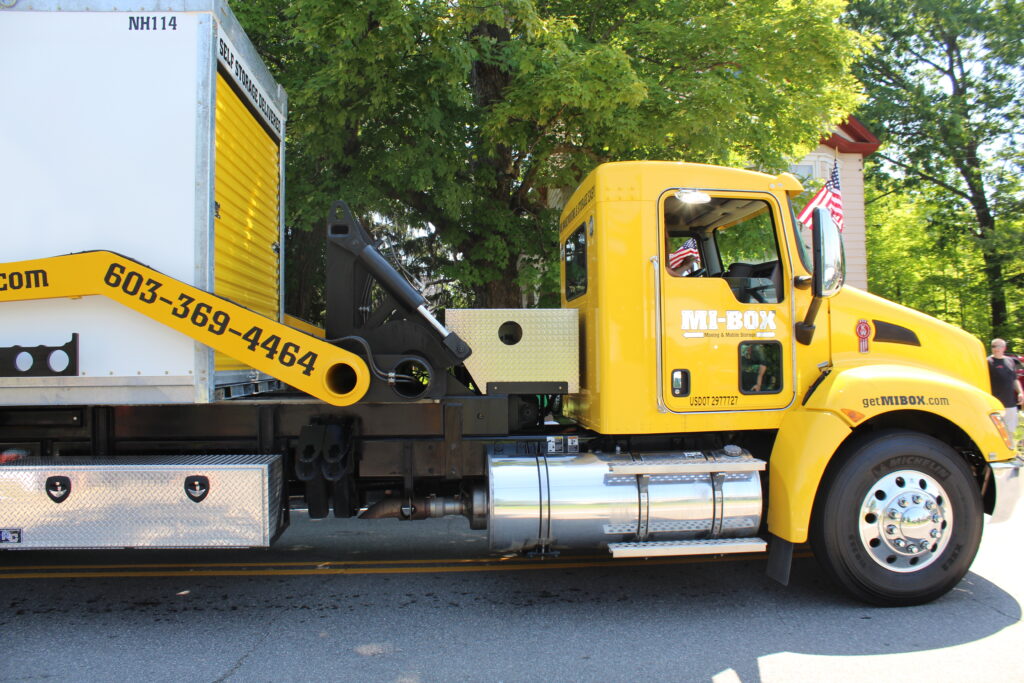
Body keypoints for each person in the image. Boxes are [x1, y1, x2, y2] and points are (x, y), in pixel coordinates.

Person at [988, 338, 1023, 436]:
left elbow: (1014, 379)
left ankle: (1009, 451)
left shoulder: (1010, 361)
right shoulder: (988, 362)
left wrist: (1020, 392)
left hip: (1010, 403)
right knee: (996, 432)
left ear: (1004, 348)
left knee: (1010, 431)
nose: (996, 348)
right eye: (993, 346)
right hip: (995, 404)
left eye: (998, 346)